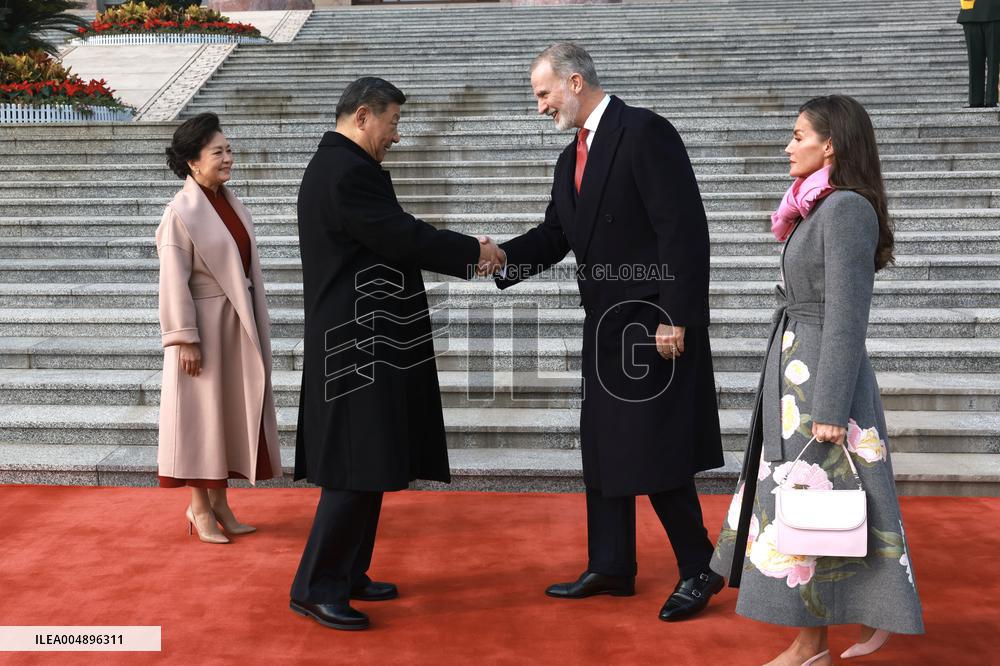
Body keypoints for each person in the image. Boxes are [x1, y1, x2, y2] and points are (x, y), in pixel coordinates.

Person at [494, 43, 725, 622]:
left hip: (651, 322)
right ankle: (613, 564)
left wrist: (677, 315)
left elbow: (684, 231)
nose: (540, 107)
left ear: (575, 83)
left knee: (655, 446)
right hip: (604, 324)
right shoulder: (568, 158)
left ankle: (700, 566)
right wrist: (495, 258)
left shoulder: (644, 132)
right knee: (603, 445)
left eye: (543, 94)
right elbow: (555, 236)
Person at [711, 95, 925, 665]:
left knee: (824, 507)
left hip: (824, 383)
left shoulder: (847, 208)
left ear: (829, 144)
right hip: (797, 374)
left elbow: (849, 314)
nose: (788, 146)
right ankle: (837, 631)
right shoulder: (816, 206)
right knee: (820, 507)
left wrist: (828, 404)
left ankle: (814, 644)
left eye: (798, 135)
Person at [290, 76, 504, 631]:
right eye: (393, 123)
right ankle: (316, 585)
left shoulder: (344, 168)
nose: (397, 136)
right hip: (357, 342)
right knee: (353, 467)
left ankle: (350, 572)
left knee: (369, 459)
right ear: (364, 116)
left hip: (369, 335)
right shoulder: (344, 173)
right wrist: (473, 250)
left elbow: (393, 237)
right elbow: (402, 236)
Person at [157, 112, 280, 544]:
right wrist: (184, 337)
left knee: (225, 415)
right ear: (193, 161)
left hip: (236, 325)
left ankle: (221, 503)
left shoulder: (229, 201)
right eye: (218, 152)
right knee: (200, 417)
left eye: (229, 150)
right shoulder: (180, 211)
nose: (229, 158)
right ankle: (198, 508)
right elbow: (173, 281)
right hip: (204, 330)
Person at [959, 0, 1000, 107]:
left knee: (994, 61)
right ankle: (975, 100)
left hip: (995, 11)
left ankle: (991, 100)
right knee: (975, 61)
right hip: (971, 12)